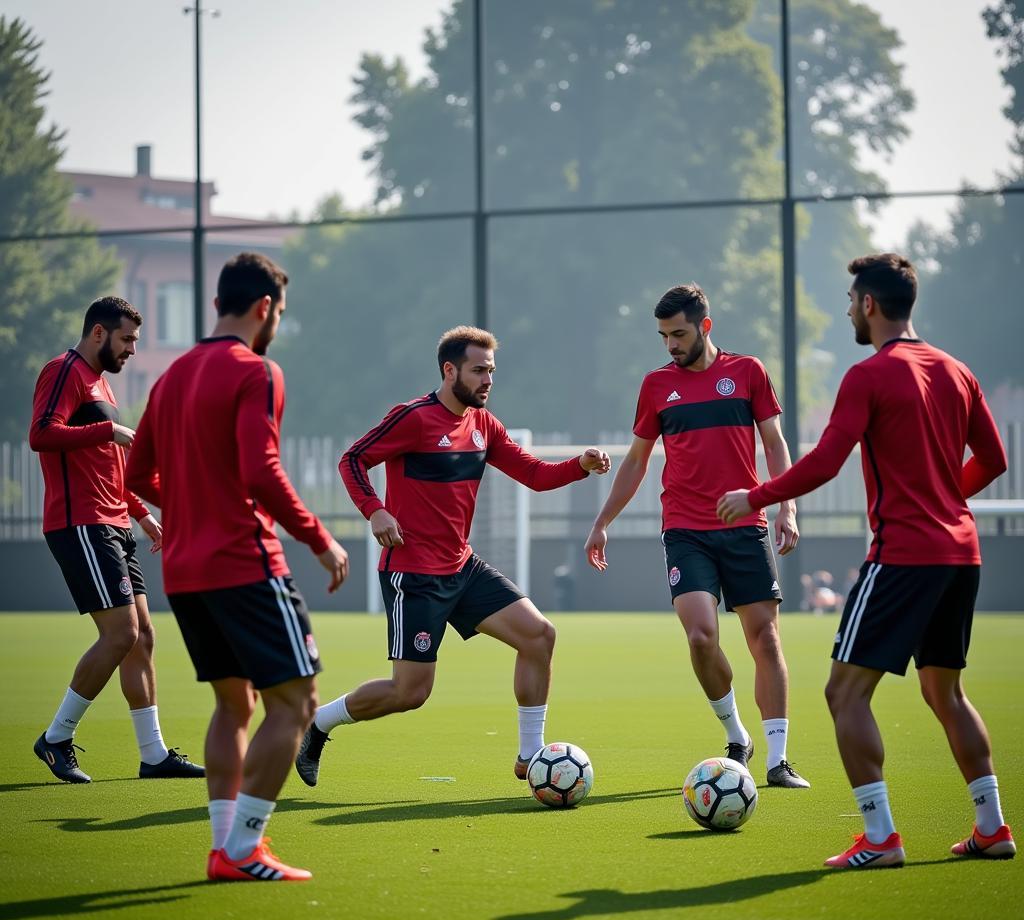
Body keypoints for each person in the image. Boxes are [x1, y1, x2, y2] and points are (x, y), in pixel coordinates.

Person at [718, 252, 1014, 867]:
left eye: (852, 301)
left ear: (870, 305)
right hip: (960, 553)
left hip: (904, 555)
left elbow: (825, 461)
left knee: (845, 694)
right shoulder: (957, 371)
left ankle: (880, 838)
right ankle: (992, 827)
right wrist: (944, 500)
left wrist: (756, 495)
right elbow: (994, 460)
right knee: (946, 693)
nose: (848, 309)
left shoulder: (869, 375)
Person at [294, 326, 609, 787]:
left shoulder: (483, 424)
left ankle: (530, 757)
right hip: (413, 575)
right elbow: (353, 459)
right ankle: (319, 722)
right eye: (479, 370)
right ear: (450, 370)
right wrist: (375, 510)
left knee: (539, 636)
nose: (488, 380)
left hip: (462, 567)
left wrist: (579, 466)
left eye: (491, 371)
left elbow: (534, 475)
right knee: (411, 692)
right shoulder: (413, 418)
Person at [126, 252, 350, 882]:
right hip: (243, 563)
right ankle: (244, 846)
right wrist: (318, 538)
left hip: (185, 573)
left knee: (234, 706)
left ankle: (225, 849)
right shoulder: (257, 372)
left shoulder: (169, 377)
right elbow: (261, 471)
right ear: (265, 308)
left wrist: (193, 507)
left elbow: (137, 476)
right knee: (298, 701)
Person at [584, 283, 809, 789]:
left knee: (765, 639)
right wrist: (602, 522)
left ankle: (777, 761)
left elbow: (774, 444)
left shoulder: (748, 372)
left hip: (744, 525)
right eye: (663, 335)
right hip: (685, 527)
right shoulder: (656, 385)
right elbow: (637, 461)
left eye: (679, 333)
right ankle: (737, 736)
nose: (670, 344)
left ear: (705, 326)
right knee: (701, 635)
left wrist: (785, 508)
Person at [29, 297, 203, 784]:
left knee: (143, 637)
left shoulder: (100, 383)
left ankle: (153, 756)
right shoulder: (62, 371)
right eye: (127, 340)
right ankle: (57, 737)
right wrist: (110, 429)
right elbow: (42, 434)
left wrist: (141, 515)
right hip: (80, 524)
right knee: (121, 634)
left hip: (115, 523)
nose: (131, 350)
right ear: (100, 333)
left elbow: (108, 464)